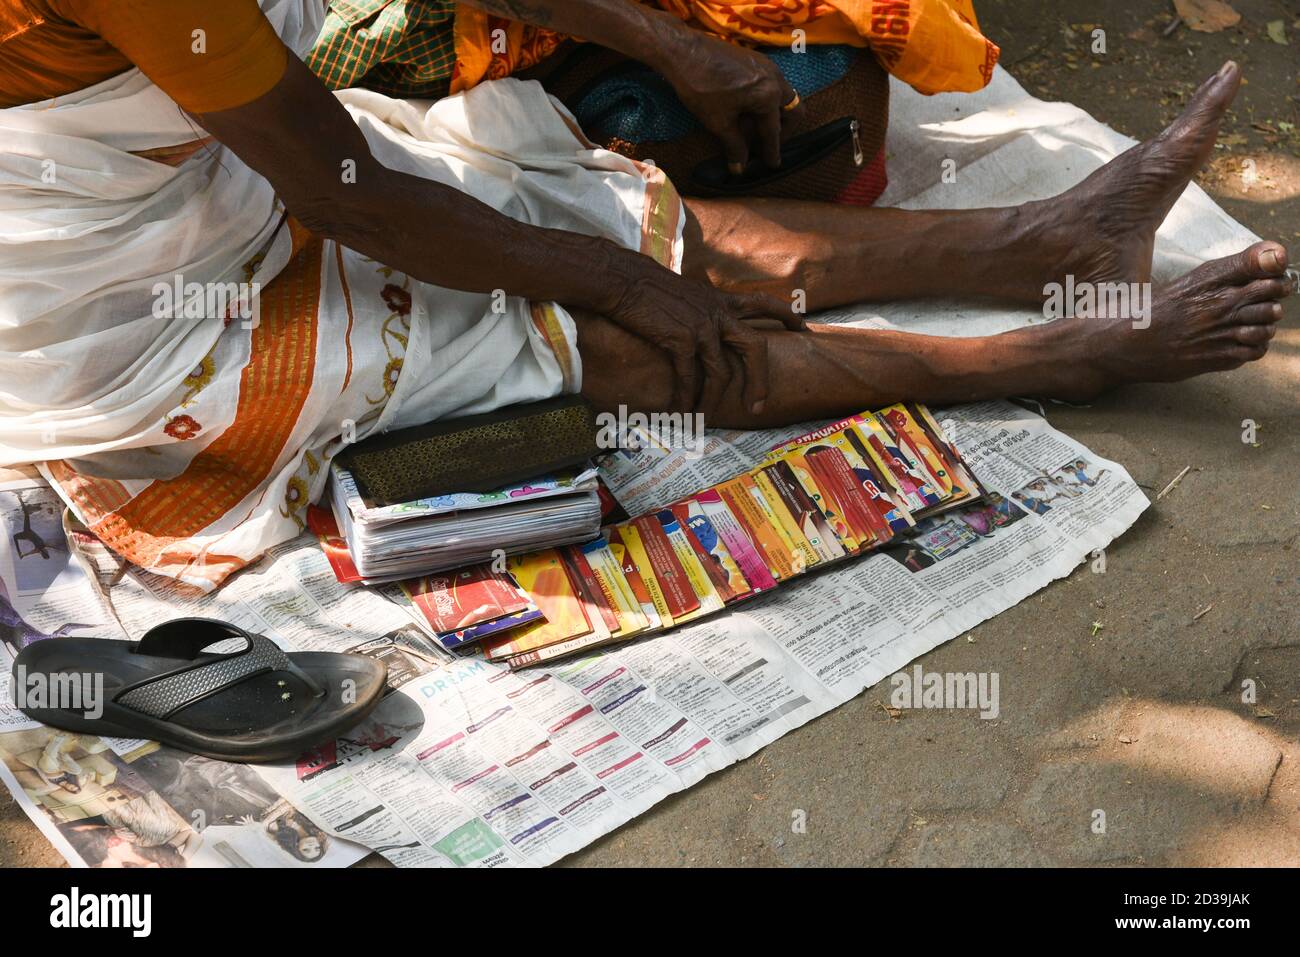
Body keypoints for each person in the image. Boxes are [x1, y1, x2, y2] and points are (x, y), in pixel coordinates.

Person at [0, 0, 1290, 590]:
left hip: (234, 178)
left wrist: (661, 39)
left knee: (578, 206)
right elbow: (350, 194)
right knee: (585, 331)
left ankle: (1041, 241)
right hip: (116, 301)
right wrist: (623, 286)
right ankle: (1050, 356)